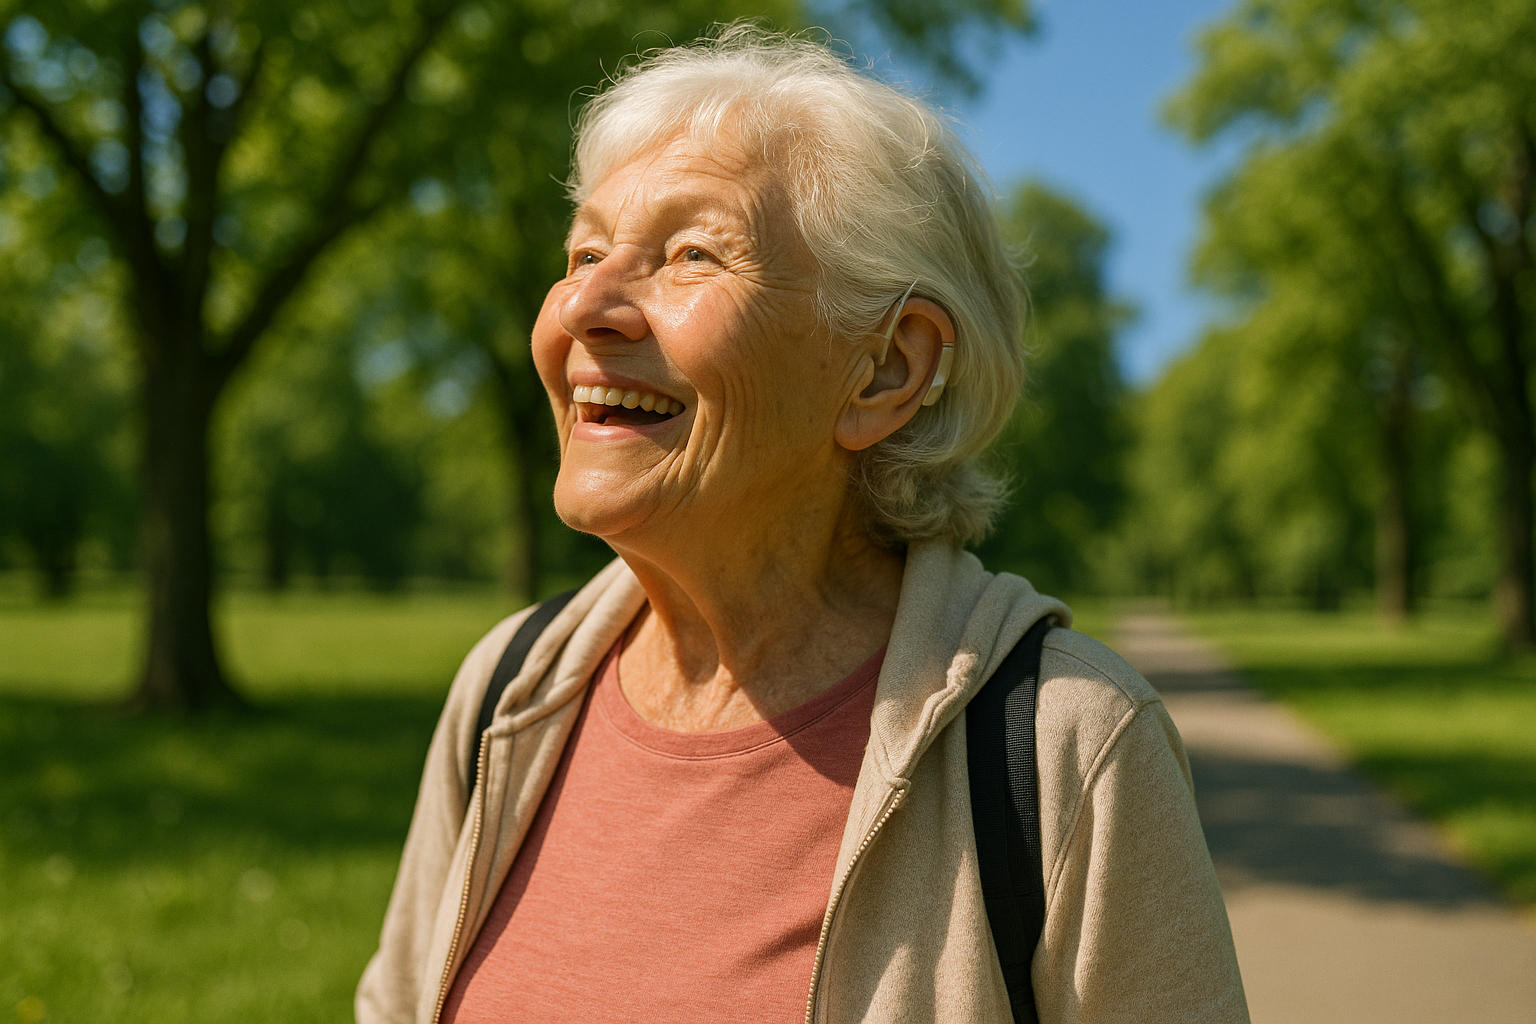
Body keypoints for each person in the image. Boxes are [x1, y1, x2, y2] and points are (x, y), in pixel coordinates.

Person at [356, 25, 1248, 1024]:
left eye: (691, 254)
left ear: (887, 370)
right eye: (586, 250)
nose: (585, 307)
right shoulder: (508, 691)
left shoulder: (1070, 750)